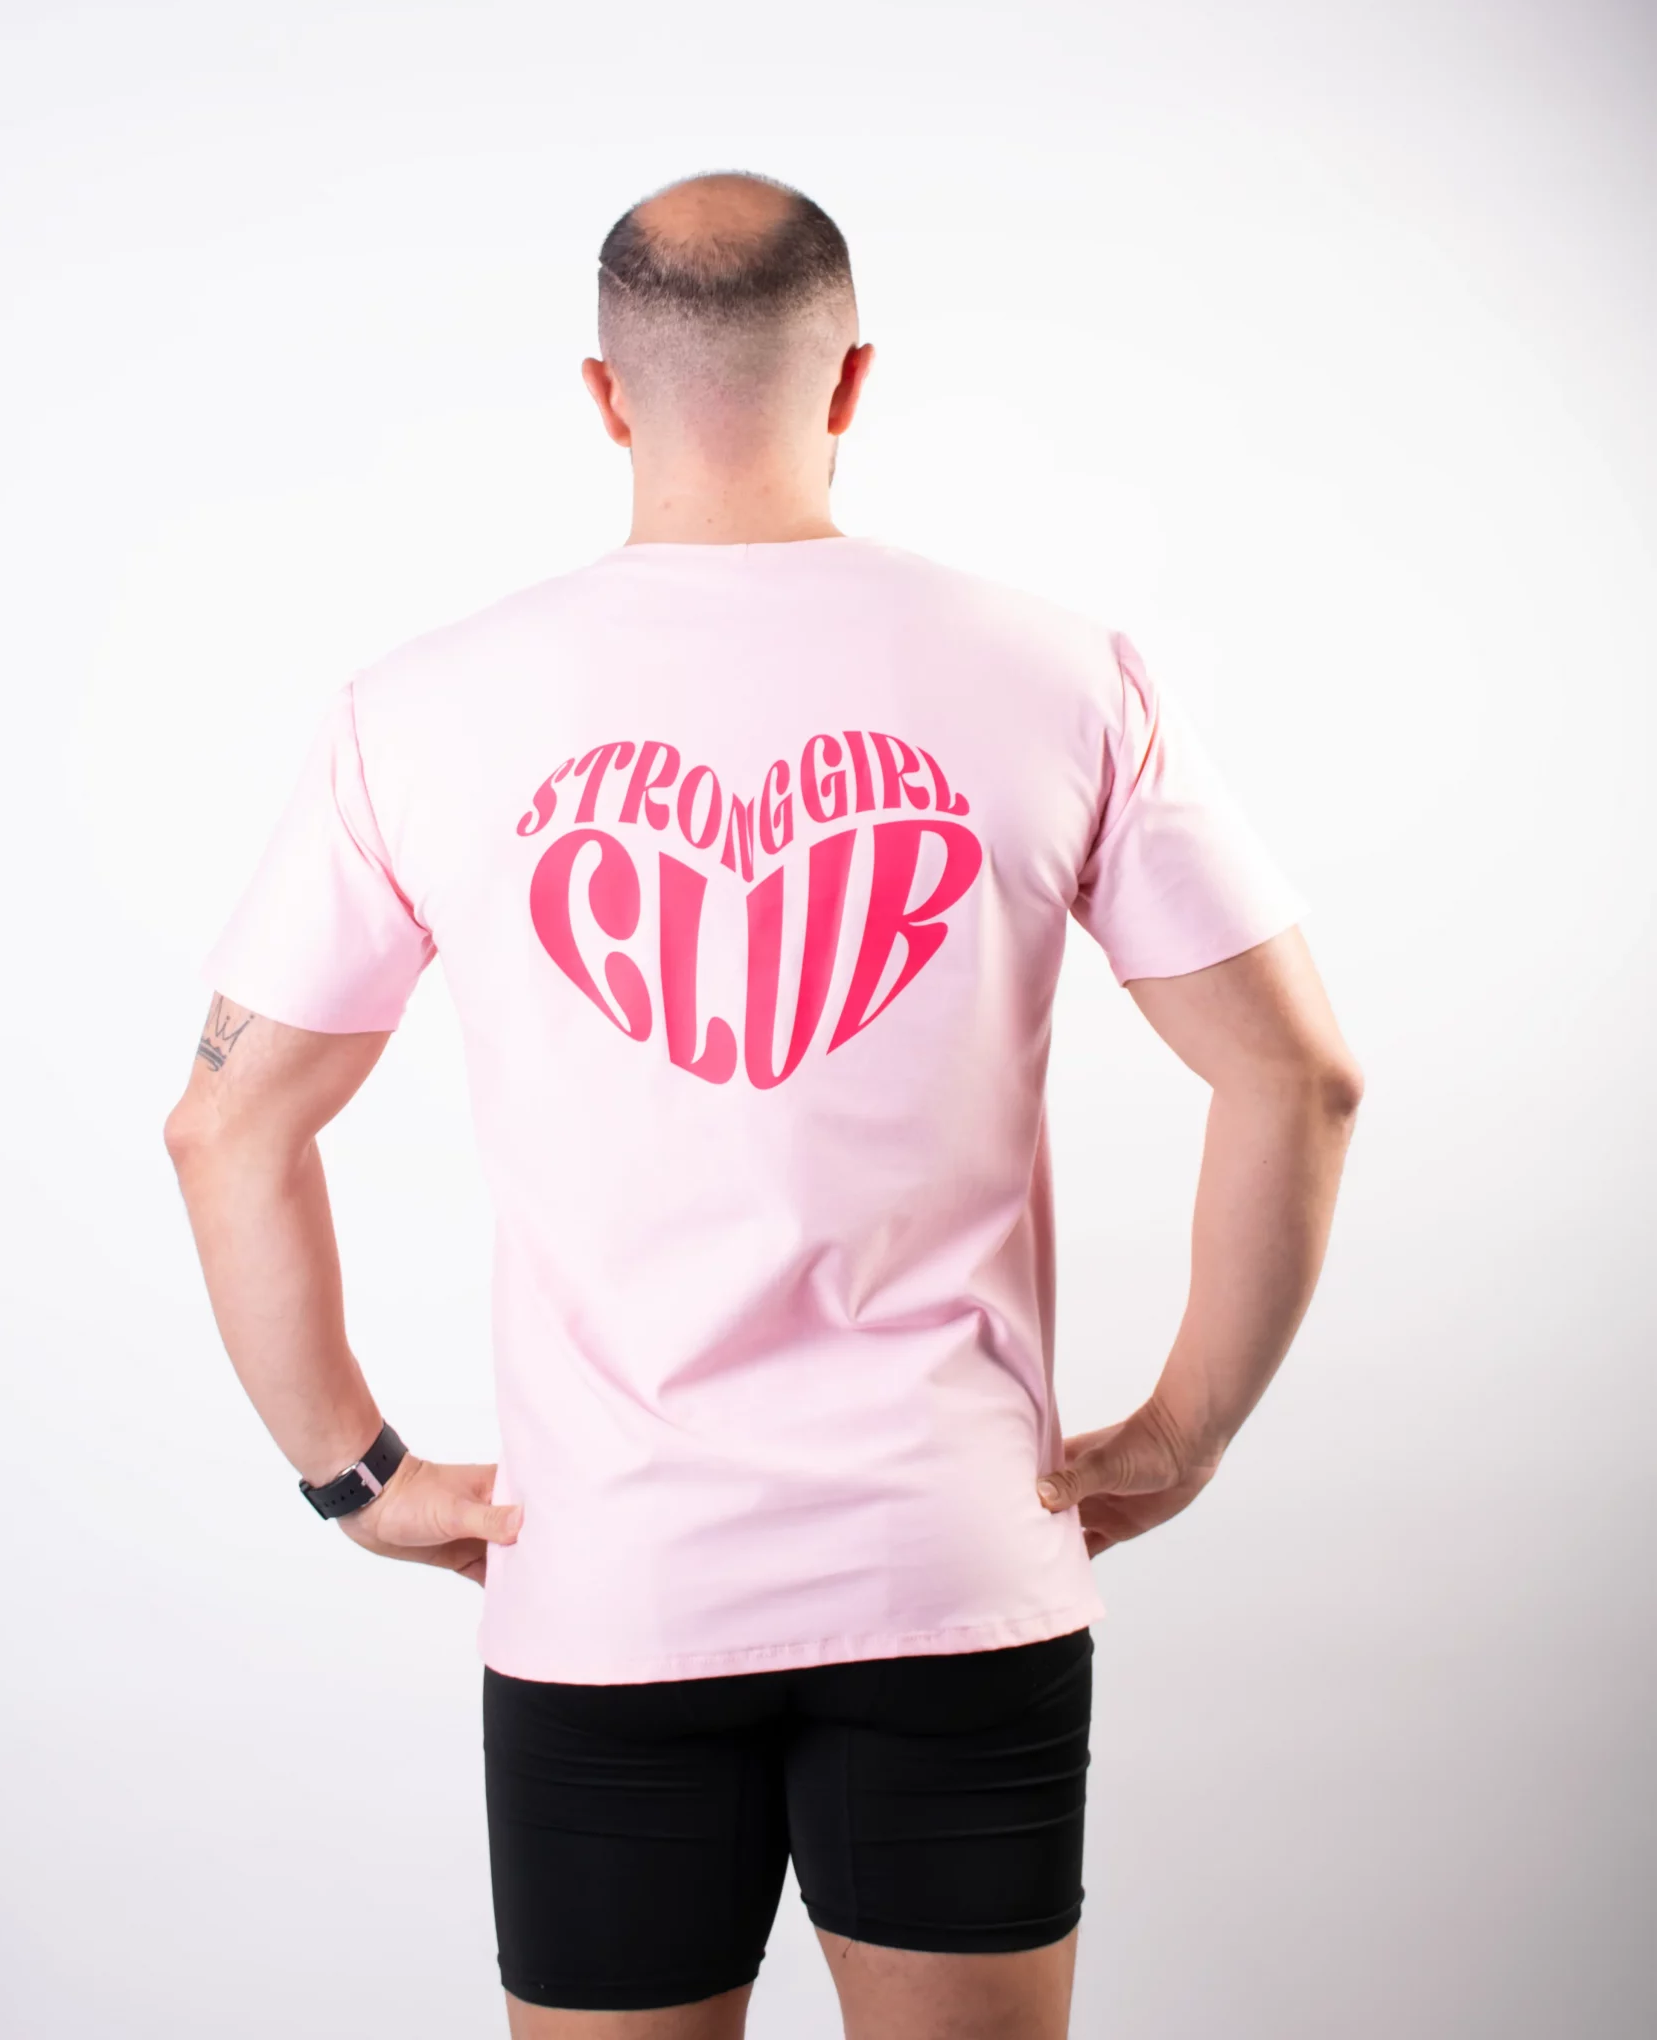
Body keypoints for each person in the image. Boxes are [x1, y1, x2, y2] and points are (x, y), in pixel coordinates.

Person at [165, 170, 1362, 2040]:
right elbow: (1297, 1076)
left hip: (606, 1586)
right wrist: (1184, 1430)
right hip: (954, 1568)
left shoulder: (421, 710)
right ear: (852, 377)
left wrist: (361, 1477)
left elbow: (224, 1124)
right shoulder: (1062, 678)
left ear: (603, 393)